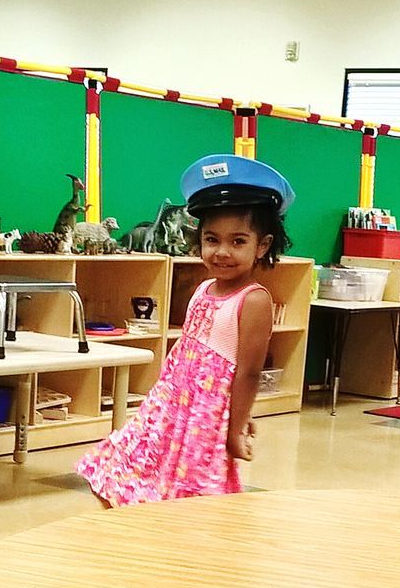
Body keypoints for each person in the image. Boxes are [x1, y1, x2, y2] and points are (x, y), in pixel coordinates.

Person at [77, 154, 291, 506]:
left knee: (191, 492)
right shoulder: (203, 289)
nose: (222, 252)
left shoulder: (253, 300)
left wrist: (237, 427)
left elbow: (249, 374)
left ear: (262, 246)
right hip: (169, 407)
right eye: (212, 239)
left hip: (203, 418)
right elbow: (184, 352)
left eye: (238, 242)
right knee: (120, 466)